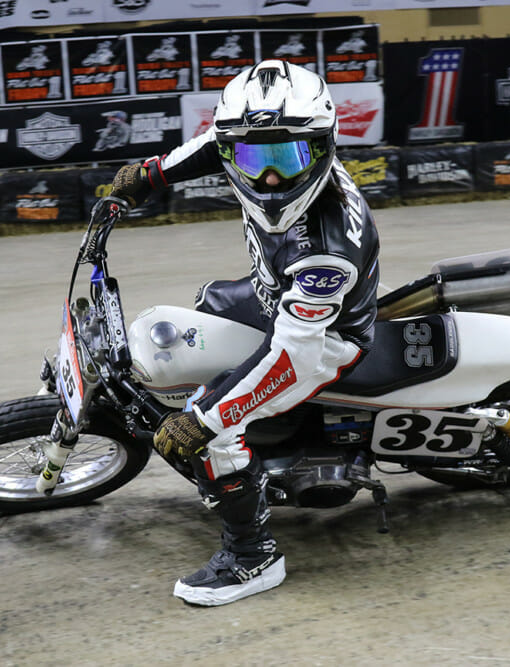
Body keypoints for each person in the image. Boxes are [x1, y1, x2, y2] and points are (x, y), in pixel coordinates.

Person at [110, 60, 380, 606]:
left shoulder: (325, 255)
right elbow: (216, 142)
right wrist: (149, 173)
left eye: (287, 157)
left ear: (323, 146)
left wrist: (205, 418)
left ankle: (254, 557)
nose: (271, 178)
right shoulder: (259, 144)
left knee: (208, 436)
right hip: (274, 293)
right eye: (256, 159)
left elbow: (296, 358)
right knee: (207, 301)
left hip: (323, 339)